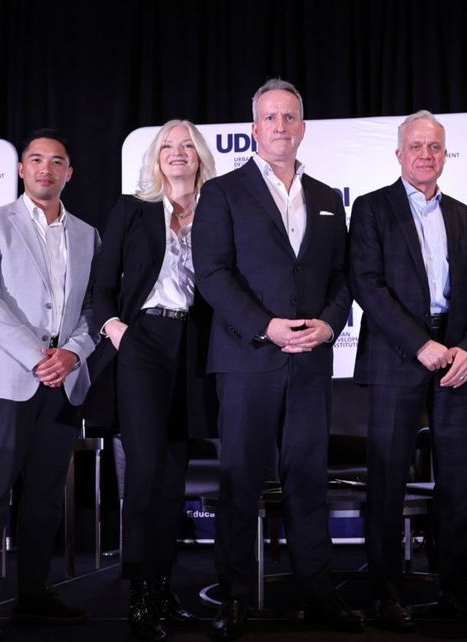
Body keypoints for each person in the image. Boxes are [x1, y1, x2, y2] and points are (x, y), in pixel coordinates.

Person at [192, 79, 361, 640]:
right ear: (254, 128)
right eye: (271, 117)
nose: (281, 126)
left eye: (291, 117)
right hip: (247, 360)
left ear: (303, 127)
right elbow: (213, 274)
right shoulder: (222, 193)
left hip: (310, 361)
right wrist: (266, 326)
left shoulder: (328, 197)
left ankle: (318, 591)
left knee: (308, 479)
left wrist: (331, 322)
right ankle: (236, 596)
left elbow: (341, 278)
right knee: (240, 480)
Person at [348, 110, 467, 630]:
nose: (426, 155)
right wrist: (420, 344)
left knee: (460, 485)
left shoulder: (466, 216)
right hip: (396, 358)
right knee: (386, 483)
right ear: (399, 154)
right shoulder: (370, 209)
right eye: (416, 146)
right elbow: (367, 285)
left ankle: (455, 591)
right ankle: (386, 593)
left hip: (455, 362)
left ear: (444, 154)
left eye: (435, 147)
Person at [0, 129, 100, 639]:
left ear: (69, 172)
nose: (46, 167)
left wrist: (73, 353)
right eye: (36, 159)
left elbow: (93, 309)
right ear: (21, 169)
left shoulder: (88, 234)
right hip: (6, 380)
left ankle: (33, 597)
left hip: (62, 382)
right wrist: (36, 355)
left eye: (57, 160)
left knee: (44, 498)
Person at [88, 119, 217, 641]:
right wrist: (118, 330)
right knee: (143, 474)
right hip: (142, 344)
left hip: (193, 349)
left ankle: (163, 591)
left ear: (200, 156)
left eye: (187, 145)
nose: (178, 153)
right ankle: (139, 595)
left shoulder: (218, 212)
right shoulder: (132, 211)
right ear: (156, 157)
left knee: (172, 478)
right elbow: (101, 287)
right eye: (169, 146)